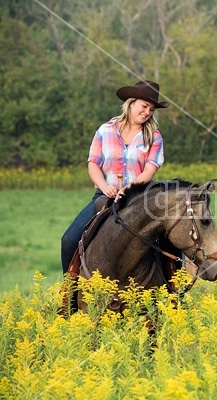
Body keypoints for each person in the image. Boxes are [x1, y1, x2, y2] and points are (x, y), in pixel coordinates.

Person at [60, 80, 169, 274]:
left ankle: (176, 291)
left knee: (171, 240)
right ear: (131, 102)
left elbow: (149, 171)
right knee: (69, 240)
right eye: (144, 106)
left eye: (151, 109)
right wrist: (105, 187)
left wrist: (128, 189)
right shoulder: (105, 131)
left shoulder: (154, 136)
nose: (147, 112)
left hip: (139, 199)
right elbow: (93, 164)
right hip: (104, 196)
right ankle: (70, 292)